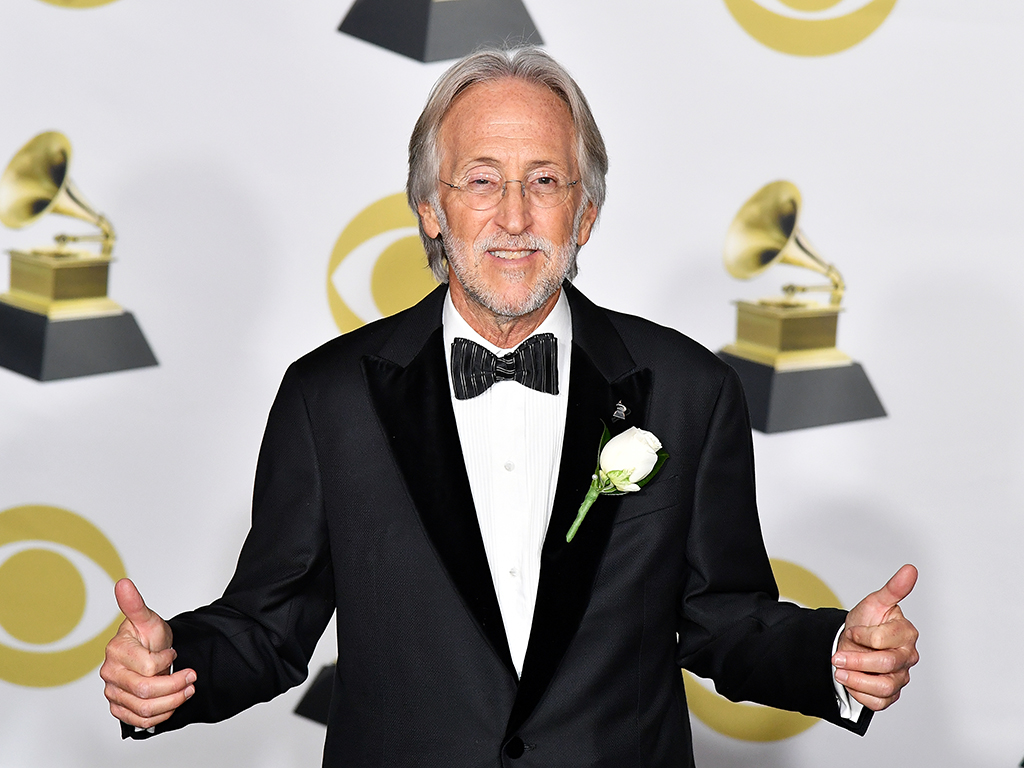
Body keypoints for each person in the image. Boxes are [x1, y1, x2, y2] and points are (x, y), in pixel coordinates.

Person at [101, 47, 919, 767]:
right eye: (481, 180)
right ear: (431, 207)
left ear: (586, 212)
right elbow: (267, 627)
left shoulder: (687, 387)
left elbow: (723, 618)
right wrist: (174, 668)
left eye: (545, 182)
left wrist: (834, 654)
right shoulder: (329, 396)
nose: (515, 217)